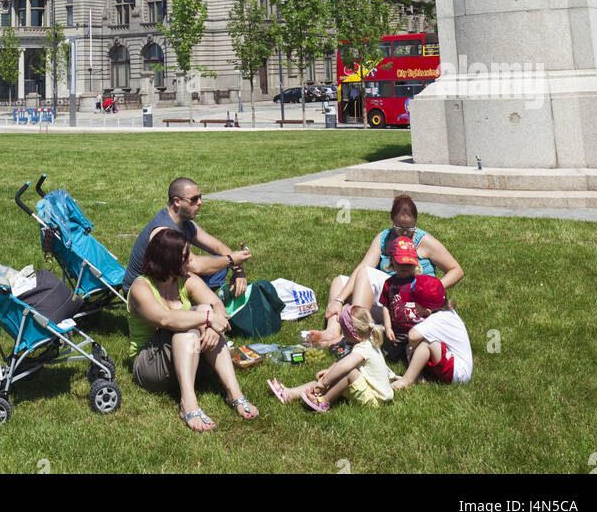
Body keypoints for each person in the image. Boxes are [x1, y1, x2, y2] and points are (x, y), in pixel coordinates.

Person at [127, 227, 259, 431]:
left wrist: (214, 329)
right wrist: (206, 319)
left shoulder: (185, 280)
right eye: (184, 256)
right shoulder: (141, 288)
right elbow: (165, 319)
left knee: (206, 309)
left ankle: (235, 393)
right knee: (190, 326)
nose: (190, 260)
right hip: (151, 368)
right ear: (167, 259)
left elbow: (217, 306)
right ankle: (188, 403)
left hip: (188, 358)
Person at [305, 193, 463, 347]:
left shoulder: (425, 241)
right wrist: (338, 300)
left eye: (409, 228)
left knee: (364, 275)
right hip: (388, 295)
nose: (404, 233)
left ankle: (355, 334)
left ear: (416, 221)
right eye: (399, 227)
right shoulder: (384, 238)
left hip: (410, 301)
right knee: (339, 282)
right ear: (392, 219)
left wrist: (431, 290)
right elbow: (363, 266)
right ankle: (332, 330)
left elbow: (456, 270)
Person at [121, 176, 252, 297]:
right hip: (142, 292)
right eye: (194, 199)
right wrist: (231, 260)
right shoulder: (164, 231)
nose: (200, 202)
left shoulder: (185, 223)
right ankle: (198, 308)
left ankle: (198, 306)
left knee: (218, 265)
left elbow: (217, 246)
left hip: (165, 280)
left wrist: (237, 270)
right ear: (177, 201)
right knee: (211, 267)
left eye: (200, 197)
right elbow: (195, 266)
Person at [267, 304, 393, 412]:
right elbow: (345, 361)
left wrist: (324, 382)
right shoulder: (367, 340)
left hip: (375, 400)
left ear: (352, 333)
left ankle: (324, 402)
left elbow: (345, 366)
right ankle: (290, 394)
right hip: (371, 392)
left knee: (348, 373)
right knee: (334, 374)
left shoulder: (364, 348)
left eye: (344, 330)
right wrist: (329, 371)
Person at [392, 276, 473, 389]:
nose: (413, 307)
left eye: (415, 303)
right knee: (415, 345)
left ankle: (407, 380)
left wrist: (413, 347)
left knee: (427, 343)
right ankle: (418, 376)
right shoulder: (447, 312)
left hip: (458, 373)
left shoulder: (438, 319)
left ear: (427, 310)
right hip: (455, 366)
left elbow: (412, 336)